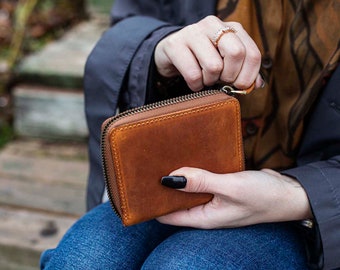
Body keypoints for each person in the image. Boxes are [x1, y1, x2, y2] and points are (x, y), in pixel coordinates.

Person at [40, 1, 340, 269]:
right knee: (83, 259)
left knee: (185, 265)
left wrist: (297, 196)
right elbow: (132, 20)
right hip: (171, 186)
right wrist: (158, 46)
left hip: (311, 216)